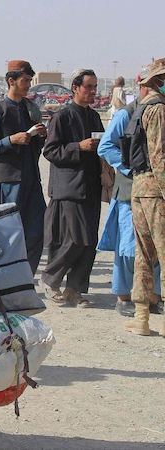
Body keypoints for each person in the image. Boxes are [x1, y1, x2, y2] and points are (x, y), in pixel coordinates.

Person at [38, 69, 104, 308]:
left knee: (89, 242)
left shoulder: (95, 117)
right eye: (89, 86)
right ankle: (50, 277)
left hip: (91, 187)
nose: (93, 91)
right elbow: (50, 151)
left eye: (95, 87)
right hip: (70, 188)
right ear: (75, 88)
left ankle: (74, 289)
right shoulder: (62, 118)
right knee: (75, 238)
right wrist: (79, 147)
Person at [98, 73, 162, 317]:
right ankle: (123, 296)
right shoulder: (127, 113)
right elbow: (106, 146)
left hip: (156, 195)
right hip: (130, 193)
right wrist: (131, 169)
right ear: (144, 87)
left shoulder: (160, 111)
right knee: (127, 249)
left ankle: (152, 297)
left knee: (154, 248)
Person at [0, 60, 48, 275]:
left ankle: (25, 276)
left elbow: (35, 147)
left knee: (36, 231)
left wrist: (40, 136)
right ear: (11, 81)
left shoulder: (30, 109)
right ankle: (2, 277)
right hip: (7, 182)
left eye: (29, 80)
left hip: (30, 180)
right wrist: (11, 140)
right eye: (25, 80)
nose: (28, 85)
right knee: (4, 234)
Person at [124, 58, 165, 335]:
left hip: (139, 188)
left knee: (144, 254)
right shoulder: (159, 109)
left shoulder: (142, 108)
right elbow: (159, 155)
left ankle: (141, 316)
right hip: (155, 190)